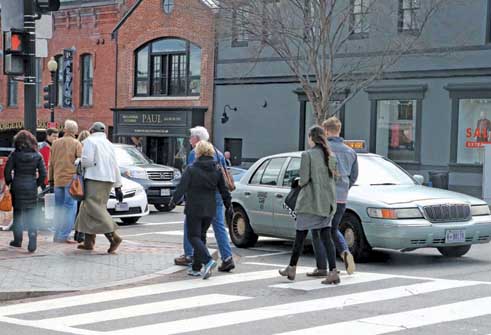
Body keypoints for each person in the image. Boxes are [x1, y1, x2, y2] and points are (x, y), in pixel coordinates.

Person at [279, 125, 340, 285]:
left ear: (312, 138)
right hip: (327, 203)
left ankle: (292, 268)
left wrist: (297, 181)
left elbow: (304, 180)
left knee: (300, 236)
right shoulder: (331, 156)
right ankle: (333, 271)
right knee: (326, 237)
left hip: (310, 203)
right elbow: (336, 179)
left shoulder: (307, 155)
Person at [174, 126, 235, 272]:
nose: (189, 140)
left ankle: (190, 255)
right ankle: (227, 257)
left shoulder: (195, 153)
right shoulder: (218, 152)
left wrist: (183, 197)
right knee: (218, 227)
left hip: (200, 197)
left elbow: (189, 177)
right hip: (218, 194)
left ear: (197, 139)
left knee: (191, 227)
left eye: (191, 137)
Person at [75, 122, 124, 253]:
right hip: (108, 179)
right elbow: (115, 165)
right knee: (86, 209)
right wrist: (118, 186)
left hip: (94, 178)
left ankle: (114, 237)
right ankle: (88, 242)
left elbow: (87, 161)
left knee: (94, 208)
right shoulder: (108, 144)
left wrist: (78, 161)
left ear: (91, 130)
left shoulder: (90, 141)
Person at [323, 116, 358, 275]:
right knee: (333, 228)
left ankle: (326, 264)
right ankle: (344, 252)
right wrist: (345, 186)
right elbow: (354, 175)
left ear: (326, 130)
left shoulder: (323, 149)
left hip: (325, 195)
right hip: (342, 197)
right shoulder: (350, 152)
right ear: (339, 130)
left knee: (323, 229)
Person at [4, 130, 47, 253]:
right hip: (31, 187)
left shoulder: (14, 155)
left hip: (17, 186)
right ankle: (32, 241)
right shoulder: (38, 156)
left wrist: (10, 182)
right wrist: (35, 184)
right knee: (31, 215)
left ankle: (17, 241)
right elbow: (43, 174)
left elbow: (7, 171)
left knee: (18, 214)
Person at [49, 120, 82, 243]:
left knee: (58, 208)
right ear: (74, 131)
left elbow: (50, 164)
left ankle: (56, 234)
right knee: (69, 208)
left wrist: (51, 179)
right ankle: (64, 235)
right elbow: (80, 162)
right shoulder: (76, 144)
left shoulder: (55, 143)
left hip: (58, 180)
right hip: (70, 180)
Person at [73, 130, 90, 243]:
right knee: (84, 208)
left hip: (77, 182)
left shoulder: (77, 148)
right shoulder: (89, 150)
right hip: (87, 182)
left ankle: (77, 232)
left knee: (77, 207)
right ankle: (82, 233)